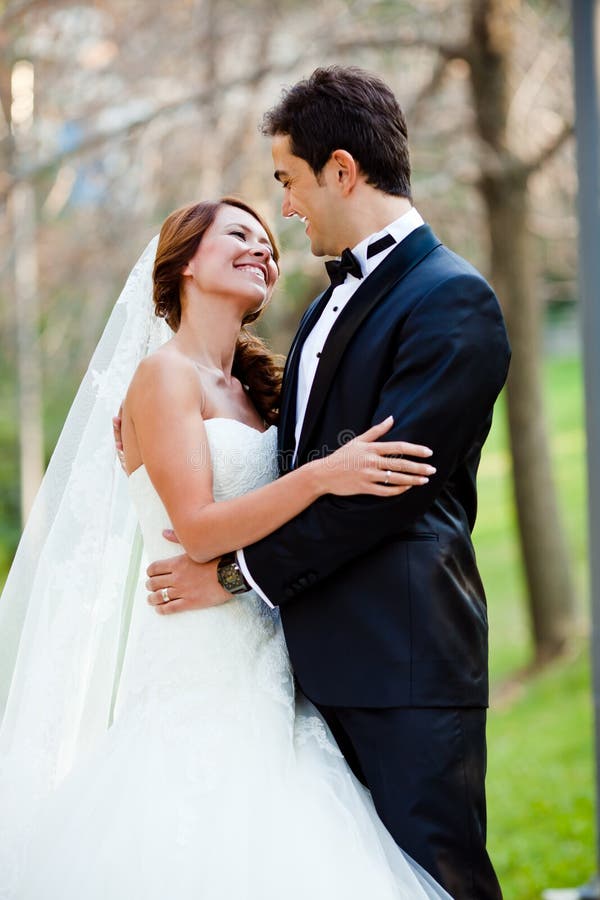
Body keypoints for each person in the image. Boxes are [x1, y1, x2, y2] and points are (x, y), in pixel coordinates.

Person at [0, 195, 449, 899]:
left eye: (269, 244)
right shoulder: (162, 377)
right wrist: (326, 474)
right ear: (182, 262)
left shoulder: (255, 391)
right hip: (196, 660)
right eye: (241, 235)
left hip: (271, 660)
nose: (263, 251)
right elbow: (202, 528)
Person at [138, 67, 511, 899]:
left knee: (435, 880)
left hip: (402, 661)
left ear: (342, 170)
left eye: (288, 182)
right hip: (304, 671)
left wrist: (237, 574)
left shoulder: (453, 300)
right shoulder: (319, 308)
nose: (286, 208)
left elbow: (387, 489)